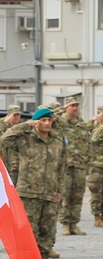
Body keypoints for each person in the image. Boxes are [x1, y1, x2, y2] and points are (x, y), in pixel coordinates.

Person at [0, 108, 66, 259]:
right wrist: (25, 125)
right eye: (43, 120)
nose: (47, 123)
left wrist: (59, 190)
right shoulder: (25, 139)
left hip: (50, 191)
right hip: (28, 191)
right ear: (36, 122)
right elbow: (5, 138)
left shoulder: (57, 141)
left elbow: (62, 167)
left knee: (48, 229)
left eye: (49, 120)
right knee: (28, 229)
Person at [53, 96, 93, 236]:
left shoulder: (81, 123)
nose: (75, 108)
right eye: (72, 105)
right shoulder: (60, 122)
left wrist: (88, 160)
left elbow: (88, 142)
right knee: (65, 195)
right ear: (66, 107)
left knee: (77, 195)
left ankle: (74, 223)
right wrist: (60, 109)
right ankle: (65, 224)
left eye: (76, 105)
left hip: (80, 165)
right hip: (65, 165)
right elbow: (51, 115)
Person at [89, 106, 103, 228]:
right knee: (96, 191)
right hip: (98, 165)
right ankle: (97, 215)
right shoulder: (97, 129)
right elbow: (94, 140)